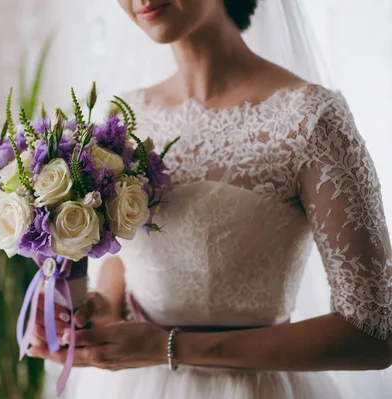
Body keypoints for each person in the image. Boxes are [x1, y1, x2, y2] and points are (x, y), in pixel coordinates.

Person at [30, 0, 392, 397]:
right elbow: (124, 261)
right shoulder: (125, 116)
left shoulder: (309, 119)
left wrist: (170, 348)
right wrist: (94, 313)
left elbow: (373, 334)